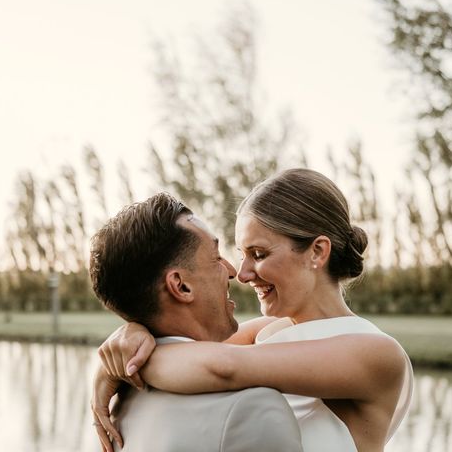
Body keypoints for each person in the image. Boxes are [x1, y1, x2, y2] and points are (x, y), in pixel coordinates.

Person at [94, 168, 413, 452]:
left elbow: (222, 368)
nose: (242, 274)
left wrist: (123, 362)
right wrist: (132, 333)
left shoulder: (375, 353)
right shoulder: (266, 330)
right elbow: (187, 347)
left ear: (316, 252)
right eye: (241, 255)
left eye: (258, 254)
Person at [89, 193, 304, 452]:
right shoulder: (253, 408)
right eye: (216, 258)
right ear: (181, 286)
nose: (233, 271)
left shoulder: (116, 405)